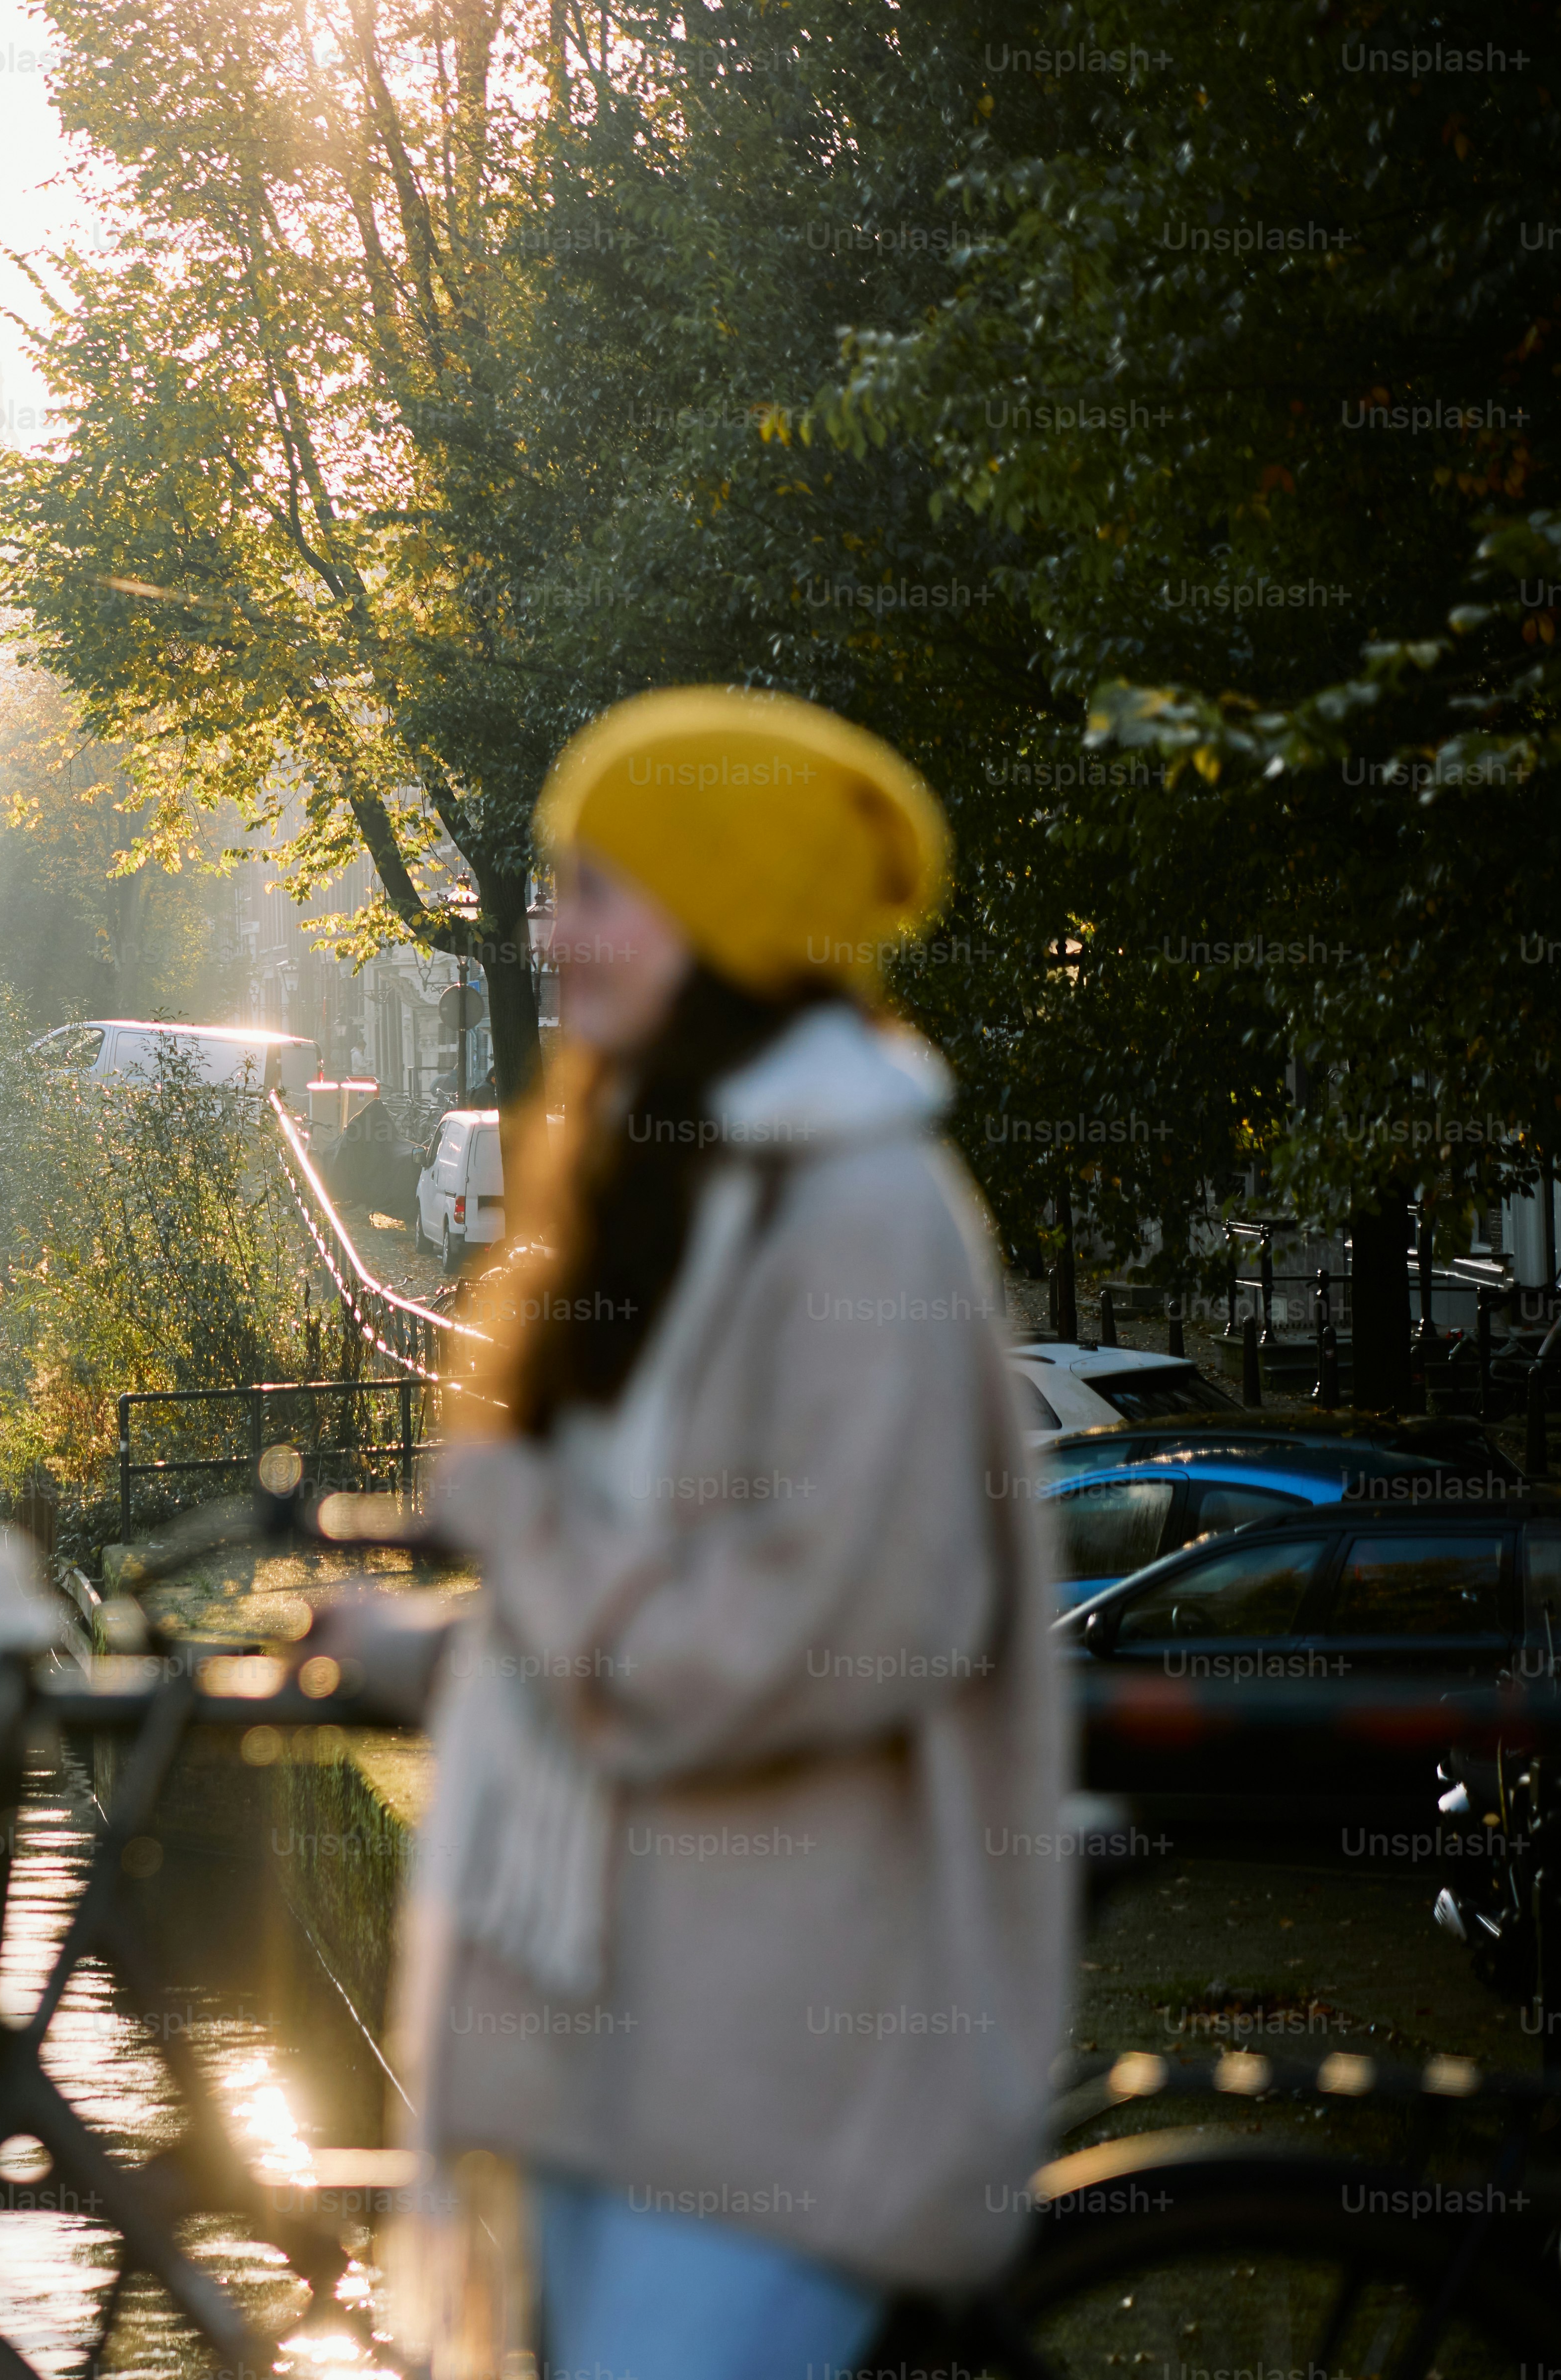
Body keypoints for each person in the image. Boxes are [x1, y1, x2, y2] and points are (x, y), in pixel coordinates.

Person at [338, 687, 1066, 2379]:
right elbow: (661, 1582)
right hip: (627, 2046)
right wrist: (440, 1645)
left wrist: (513, 1533)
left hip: (780, 2071)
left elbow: (814, 1628)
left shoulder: (860, 1205)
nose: (556, 931)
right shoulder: (677, 1181)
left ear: (723, 907)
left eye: (597, 886)